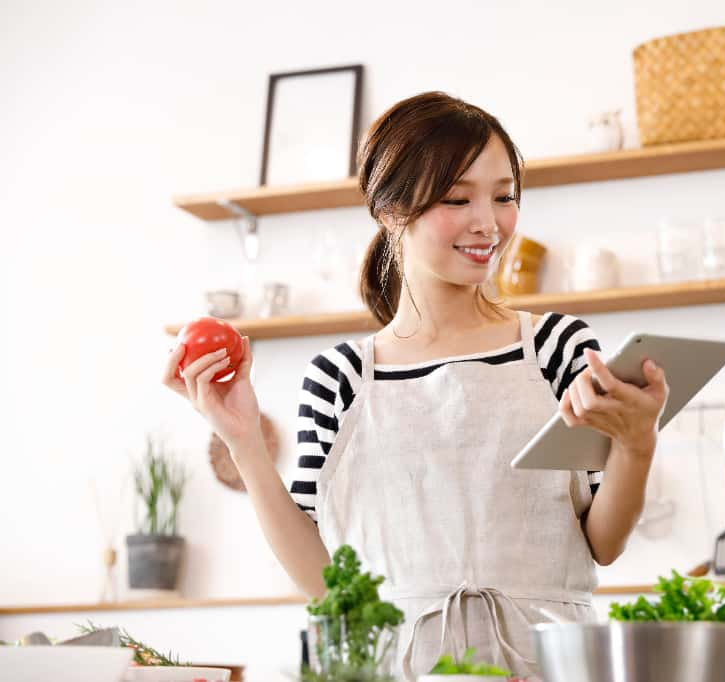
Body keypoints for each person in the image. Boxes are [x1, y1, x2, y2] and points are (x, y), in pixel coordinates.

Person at [163, 91, 668, 680]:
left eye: (504, 197)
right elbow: (326, 586)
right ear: (390, 210)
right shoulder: (339, 377)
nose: (489, 223)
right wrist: (245, 443)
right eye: (458, 198)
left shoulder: (557, 346)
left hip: (548, 665)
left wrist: (637, 441)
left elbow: (603, 543)